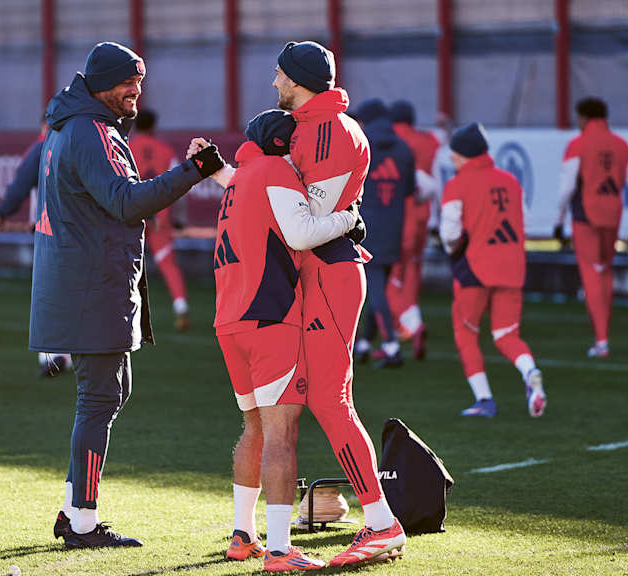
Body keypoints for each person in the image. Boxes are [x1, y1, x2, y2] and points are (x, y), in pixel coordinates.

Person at [191, 41, 405, 568]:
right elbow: (279, 198)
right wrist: (224, 173)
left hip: (327, 271)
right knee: (293, 411)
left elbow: (306, 220)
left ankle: (381, 524)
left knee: (329, 400)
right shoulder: (311, 126)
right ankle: (263, 535)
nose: (274, 83)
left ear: (300, 80)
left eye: (280, 75)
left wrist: (349, 222)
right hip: (305, 279)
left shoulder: (330, 129)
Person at [31, 41, 224, 549]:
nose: (135, 90)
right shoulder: (91, 132)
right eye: (126, 82)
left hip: (87, 281)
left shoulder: (71, 125)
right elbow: (125, 202)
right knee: (99, 399)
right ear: (100, 85)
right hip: (91, 285)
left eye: (139, 81)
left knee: (109, 394)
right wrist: (194, 171)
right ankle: (82, 522)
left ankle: (75, 509)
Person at [215, 109, 361, 571]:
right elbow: (299, 234)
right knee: (281, 433)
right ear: (282, 145)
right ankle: (279, 549)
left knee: (253, 428)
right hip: (270, 319)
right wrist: (347, 219)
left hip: (230, 319)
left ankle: (244, 535)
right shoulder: (277, 169)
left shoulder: (242, 178)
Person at [440, 123, 546, 418]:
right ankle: (530, 372)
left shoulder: (457, 185)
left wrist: (454, 251)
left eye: (455, 153)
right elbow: (525, 218)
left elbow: (449, 233)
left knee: (465, 332)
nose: (452, 158)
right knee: (507, 335)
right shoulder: (511, 180)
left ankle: (484, 399)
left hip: (474, 268)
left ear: (465, 154)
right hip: (512, 267)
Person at [554, 97, 628, 358]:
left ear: (583, 117)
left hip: (586, 216)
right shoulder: (621, 145)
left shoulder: (577, 144)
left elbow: (567, 188)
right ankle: (602, 336)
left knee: (591, 274)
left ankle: (601, 340)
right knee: (604, 272)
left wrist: (558, 222)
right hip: (613, 214)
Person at [0, 120, 74, 378]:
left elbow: (22, 183)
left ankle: (53, 356)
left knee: (48, 293)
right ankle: (68, 354)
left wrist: (2, 213)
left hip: (49, 231)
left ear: (44, 124)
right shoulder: (77, 146)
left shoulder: (41, 148)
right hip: (79, 231)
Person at [351, 99, 415, 369]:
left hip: (367, 226)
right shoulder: (403, 149)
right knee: (378, 286)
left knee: (375, 289)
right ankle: (364, 343)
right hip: (394, 224)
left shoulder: (362, 146)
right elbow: (410, 190)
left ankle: (390, 346)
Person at [387, 99, 441, 360]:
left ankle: (409, 324)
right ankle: (411, 316)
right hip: (422, 215)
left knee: (388, 277)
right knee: (413, 269)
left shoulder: (389, 142)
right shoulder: (429, 140)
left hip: (397, 215)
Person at [129, 109, 192, 331]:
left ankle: (122, 314)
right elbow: (180, 182)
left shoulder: (127, 148)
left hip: (132, 213)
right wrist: (179, 218)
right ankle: (181, 307)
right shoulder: (166, 151)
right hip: (160, 215)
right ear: (154, 127)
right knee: (167, 263)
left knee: (123, 264)